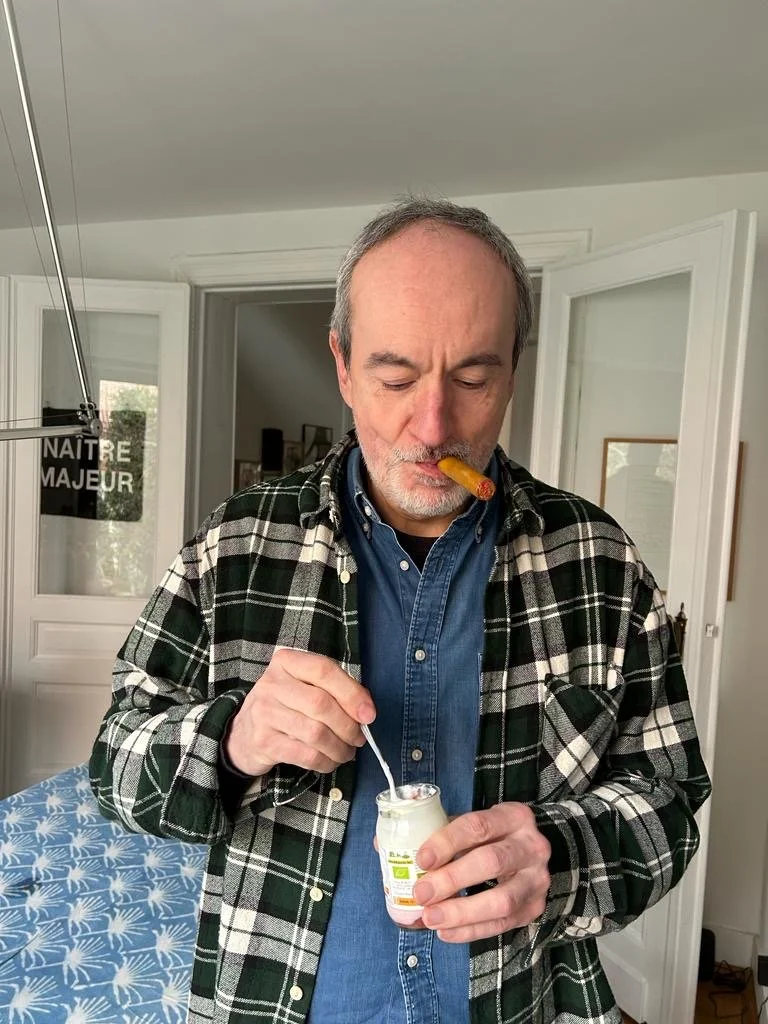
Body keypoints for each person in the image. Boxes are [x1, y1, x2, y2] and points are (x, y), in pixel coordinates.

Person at [89, 197, 711, 1024]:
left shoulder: (597, 562)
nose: (434, 426)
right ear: (343, 366)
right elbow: (114, 768)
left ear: (513, 370)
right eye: (395, 377)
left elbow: (669, 797)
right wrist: (233, 742)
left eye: (473, 378)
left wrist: (559, 857)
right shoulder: (234, 545)